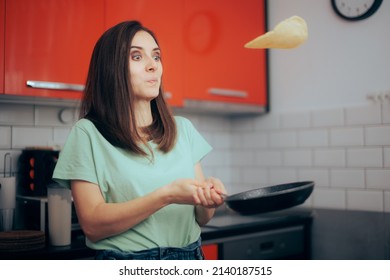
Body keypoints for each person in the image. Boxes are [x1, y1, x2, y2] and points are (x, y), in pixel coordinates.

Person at [52, 20, 226, 260]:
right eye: (136, 57)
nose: (153, 66)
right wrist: (166, 195)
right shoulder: (87, 134)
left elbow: (201, 217)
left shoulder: (183, 129)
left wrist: (209, 199)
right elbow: (92, 224)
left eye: (156, 56)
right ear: (112, 68)